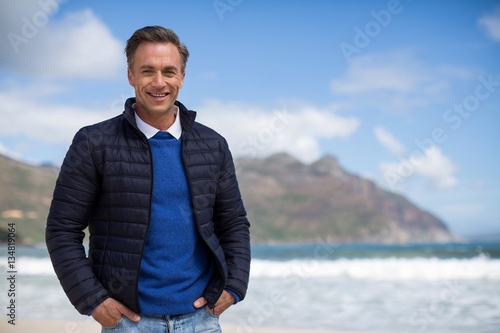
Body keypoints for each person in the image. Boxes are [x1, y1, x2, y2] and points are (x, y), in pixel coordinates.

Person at [46, 26, 251, 332]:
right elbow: (62, 229)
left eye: (169, 71)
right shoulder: (94, 142)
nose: (159, 82)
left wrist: (233, 287)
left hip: (202, 320)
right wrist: (93, 300)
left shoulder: (213, 145)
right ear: (131, 76)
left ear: (181, 77)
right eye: (147, 71)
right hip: (129, 323)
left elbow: (233, 222)